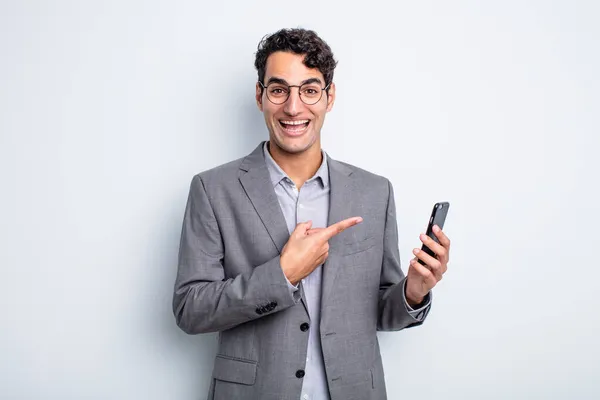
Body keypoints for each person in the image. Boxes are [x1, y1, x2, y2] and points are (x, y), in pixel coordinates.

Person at [172, 27, 451, 400]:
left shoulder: (374, 192)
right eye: (278, 89)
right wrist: (282, 275)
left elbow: (382, 311)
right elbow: (190, 309)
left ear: (329, 96)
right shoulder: (212, 189)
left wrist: (413, 293)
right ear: (260, 95)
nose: (293, 107)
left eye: (309, 89)